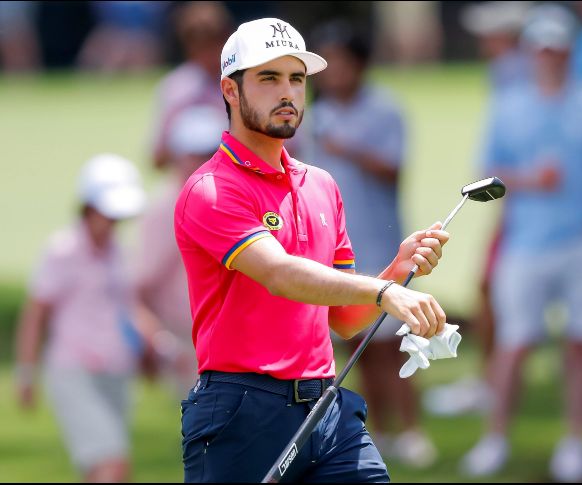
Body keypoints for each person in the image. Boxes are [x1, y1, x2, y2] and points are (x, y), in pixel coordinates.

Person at [174, 17, 451, 482]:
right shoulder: (212, 190)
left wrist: (397, 270)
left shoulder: (321, 184)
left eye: (296, 79)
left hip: (327, 407)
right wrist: (383, 293)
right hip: (241, 411)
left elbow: (341, 318)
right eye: (268, 78)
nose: (287, 92)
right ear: (229, 89)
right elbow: (280, 274)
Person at [459, 4, 582, 481]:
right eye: (541, 49)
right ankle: (495, 438)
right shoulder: (510, 104)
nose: (549, 57)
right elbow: (485, 175)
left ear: (569, 52)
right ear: (530, 53)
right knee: (514, 343)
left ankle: (574, 443)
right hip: (527, 243)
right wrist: (527, 179)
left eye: (557, 49)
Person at [306, 20, 438, 468]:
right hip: (336, 248)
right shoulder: (315, 113)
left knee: (391, 342)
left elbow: (393, 170)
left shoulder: (383, 110)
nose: (332, 71)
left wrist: (345, 147)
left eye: (340, 61)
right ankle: (378, 430)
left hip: (380, 238)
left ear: (359, 64)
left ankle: (413, 430)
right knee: (355, 342)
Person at [422, 0, 532, 418]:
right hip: (521, 206)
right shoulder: (509, 73)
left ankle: (494, 383)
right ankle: (494, 379)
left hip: (528, 210)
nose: (483, 41)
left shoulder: (513, 75)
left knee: (491, 292)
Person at [14, 154, 146, 483]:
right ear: (88, 207)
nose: (114, 221)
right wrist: (26, 373)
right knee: (112, 464)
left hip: (116, 370)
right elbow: (36, 314)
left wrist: (154, 347)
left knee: (101, 467)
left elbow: (126, 309)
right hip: (74, 371)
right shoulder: (63, 251)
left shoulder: (117, 251)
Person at [135, 104, 226, 398]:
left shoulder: (221, 200)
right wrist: (160, 344)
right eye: (195, 153)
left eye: (210, 151)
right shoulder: (166, 209)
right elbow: (136, 288)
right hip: (190, 344)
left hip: (226, 338)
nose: (204, 161)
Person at [149, 1, 233, 169]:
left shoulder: (247, 84)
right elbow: (158, 158)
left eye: (213, 44)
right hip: (187, 178)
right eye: (199, 46)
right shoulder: (176, 88)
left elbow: (288, 147)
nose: (208, 55)